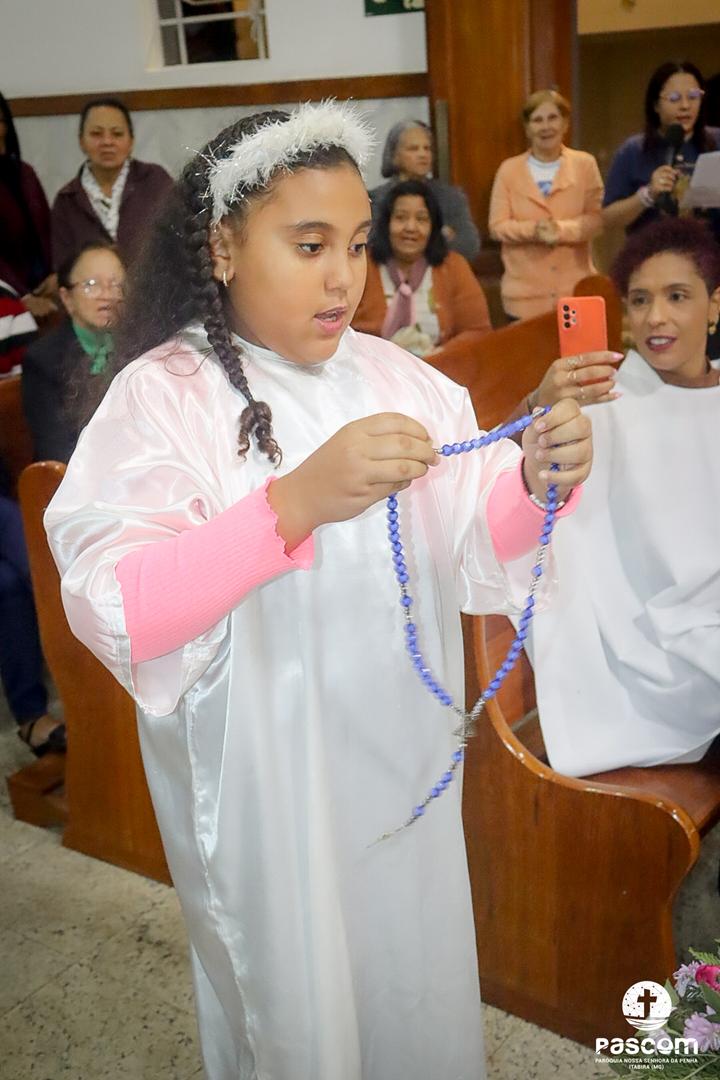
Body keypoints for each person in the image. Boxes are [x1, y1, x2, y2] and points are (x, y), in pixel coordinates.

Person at [43, 103, 592, 1080]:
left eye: (356, 244)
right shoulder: (165, 396)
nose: (345, 276)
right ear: (222, 248)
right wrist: (291, 504)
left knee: (409, 970)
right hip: (268, 778)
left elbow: (474, 532)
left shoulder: (399, 378)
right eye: (308, 246)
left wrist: (534, 481)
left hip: (396, 752)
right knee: (300, 1006)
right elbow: (118, 601)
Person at [522, 217, 720, 778]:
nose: (655, 316)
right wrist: (541, 406)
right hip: (660, 638)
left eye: (677, 296)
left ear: (714, 305)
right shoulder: (605, 402)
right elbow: (510, 474)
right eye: (639, 300)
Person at [488, 89, 604, 321]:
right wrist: (534, 230)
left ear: (565, 123)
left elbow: (597, 220)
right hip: (524, 298)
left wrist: (560, 230)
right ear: (527, 128)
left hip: (576, 294)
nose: (546, 126)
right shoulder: (508, 170)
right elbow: (497, 226)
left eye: (552, 118)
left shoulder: (585, 164)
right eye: (537, 120)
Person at [352, 179, 491, 364]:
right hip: (374, 369)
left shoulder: (453, 266)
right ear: (386, 224)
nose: (411, 227)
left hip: (440, 368)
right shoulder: (363, 265)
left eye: (421, 219)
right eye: (401, 217)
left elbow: (478, 331)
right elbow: (345, 333)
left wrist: (440, 355)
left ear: (433, 227)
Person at [22, 243, 125, 463]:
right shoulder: (43, 360)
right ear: (67, 298)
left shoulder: (138, 346)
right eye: (92, 285)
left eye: (117, 284)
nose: (107, 295)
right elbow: (55, 449)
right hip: (77, 474)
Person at [51, 97, 173, 270]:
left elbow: (179, 240)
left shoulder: (155, 181)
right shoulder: (67, 200)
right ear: (81, 141)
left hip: (153, 284)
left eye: (117, 134)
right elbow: (63, 269)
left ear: (131, 141)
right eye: (96, 134)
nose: (107, 142)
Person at [603, 61, 720, 235]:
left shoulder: (716, 141)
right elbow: (607, 219)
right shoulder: (633, 150)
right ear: (656, 105)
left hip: (709, 248)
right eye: (674, 98)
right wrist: (647, 195)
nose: (685, 105)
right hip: (651, 249)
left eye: (693, 96)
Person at [369, 119, 480, 262]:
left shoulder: (452, 197)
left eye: (427, 148)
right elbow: (373, 246)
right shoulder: (375, 199)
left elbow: (469, 246)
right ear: (394, 156)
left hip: (440, 273)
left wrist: (408, 241)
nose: (423, 154)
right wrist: (440, 234)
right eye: (413, 149)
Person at [0, 92, 56, 321]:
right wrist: (22, 296)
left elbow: (48, 230)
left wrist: (55, 275)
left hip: (47, 289)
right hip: (8, 298)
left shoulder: (25, 173)